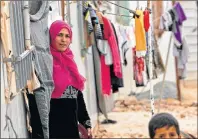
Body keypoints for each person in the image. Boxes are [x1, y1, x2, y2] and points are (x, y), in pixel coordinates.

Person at [49, 20, 92, 138]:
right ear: (52, 36)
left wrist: (86, 122)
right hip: (52, 130)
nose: (64, 40)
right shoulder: (46, 63)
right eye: (59, 35)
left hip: (72, 130)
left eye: (67, 36)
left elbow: (77, 96)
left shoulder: (70, 62)